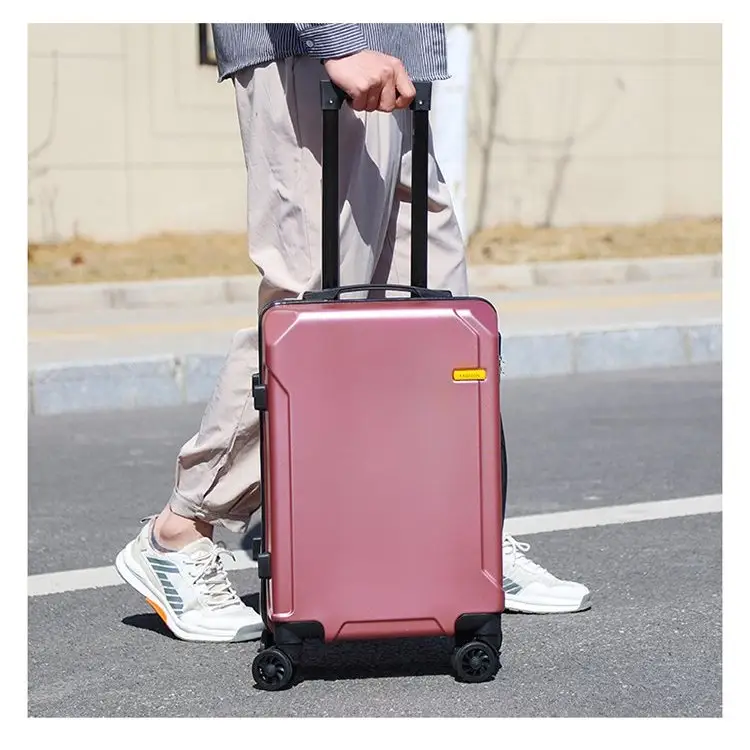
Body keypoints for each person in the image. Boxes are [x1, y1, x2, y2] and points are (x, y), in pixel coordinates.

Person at [115, 23, 591, 643]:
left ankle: (464, 542)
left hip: (399, 63)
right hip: (320, 53)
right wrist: (334, 36)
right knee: (310, 320)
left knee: (442, 322)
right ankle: (179, 533)